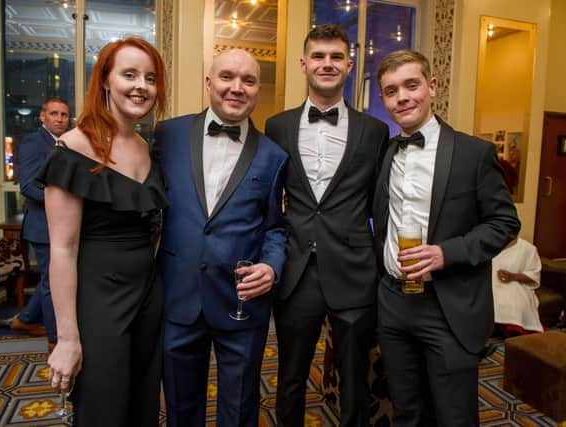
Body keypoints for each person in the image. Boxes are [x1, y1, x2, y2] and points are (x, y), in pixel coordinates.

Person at [373, 50, 521, 426]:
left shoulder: (474, 153)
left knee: (454, 416)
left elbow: (504, 223)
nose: (402, 97)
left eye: (411, 85)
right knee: (406, 411)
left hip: (448, 304)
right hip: (392, 302)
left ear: (432, 87)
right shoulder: (385, 153)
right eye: (391, 91)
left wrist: (445, 253)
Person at [37, 37, 168, 426]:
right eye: (129, 74)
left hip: (148, 296)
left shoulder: (148, 148)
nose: (141, 86)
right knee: (103, 407)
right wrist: (67, 338)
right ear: (106, 81)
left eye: (150, 77)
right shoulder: (72, 148)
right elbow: (61, 249)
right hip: (99, 298)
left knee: (142, 404)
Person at [154, 49, 287, 427]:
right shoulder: (168, 135)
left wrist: (271, 267)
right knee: (180, 404)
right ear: (208, 82)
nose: (236, 88)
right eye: (227, 77)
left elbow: (276, 227)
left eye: (248, 81)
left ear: (258, 89)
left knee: (241, 406)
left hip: (241, 302)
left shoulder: (274, 155)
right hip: (179, 295)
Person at [265, 24, 389, 427]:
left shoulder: (375, 131)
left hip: (353, 271)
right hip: (297, 270)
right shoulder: (277, 126)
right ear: (304, 64)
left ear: (350, 65)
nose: (327, 64)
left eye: (336, 57)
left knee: (355, 380)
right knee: (290, 377)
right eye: (318, 56)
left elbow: (382, 202)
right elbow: (269, 200)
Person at [0, 97, 69, 343]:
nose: (60, 119)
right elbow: (27, 186)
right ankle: (54, 338)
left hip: (63, 228)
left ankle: (26, 319)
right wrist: (64, 203)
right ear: (42, 116)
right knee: (53, 284)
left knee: (53, 279)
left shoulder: (66, 144)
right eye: (54, 114)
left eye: (64, 115)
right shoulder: (32, 142)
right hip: (43, 227)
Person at [492, 238, 544, 335]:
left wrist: (513, 276)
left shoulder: (528, 249)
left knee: (512, 303)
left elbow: (534, 275)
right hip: (490, 283)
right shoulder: (488, 244)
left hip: (516, 285)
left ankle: (514, 331)